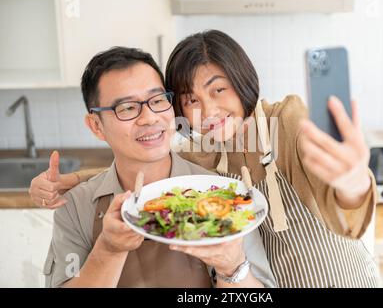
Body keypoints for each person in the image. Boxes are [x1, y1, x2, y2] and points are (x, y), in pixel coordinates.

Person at [31, 30, 381, 287]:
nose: (209, 111)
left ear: (241, 80)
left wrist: (354, 181)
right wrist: (77, 182)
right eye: (191, 99)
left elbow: (343, 205)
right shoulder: (208, 156)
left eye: (218, 89)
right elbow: (147, 161)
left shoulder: (286, 121)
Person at [41, 46, 276, 288]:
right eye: (127, 108)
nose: (150, 118)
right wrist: (109, 250)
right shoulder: (76, 208)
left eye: (157, 100)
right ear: (96, 126)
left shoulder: (222, 195)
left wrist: (232, 268)